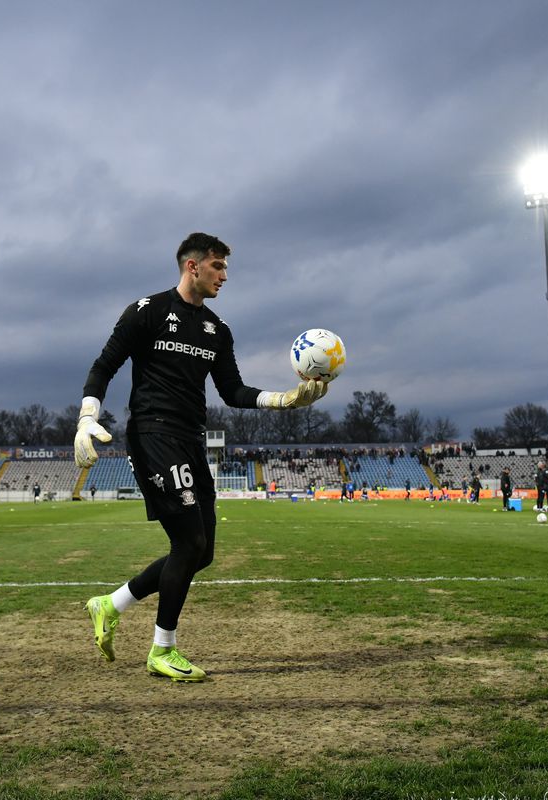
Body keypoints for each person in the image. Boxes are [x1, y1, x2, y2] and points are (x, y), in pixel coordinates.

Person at [75, 232, 327, 683]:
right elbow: (104, 365)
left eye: (226, 268)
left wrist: (285, 399)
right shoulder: (146, 312)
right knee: (188, 544)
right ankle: (161, 650)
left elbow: (233, 391)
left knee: (202, 553)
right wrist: (87, 416)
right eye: (218, 267)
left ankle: (110, 605)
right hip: (153, 434)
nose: (224, 276)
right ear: (193, 266)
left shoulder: (217, 329)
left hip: (191, 439)